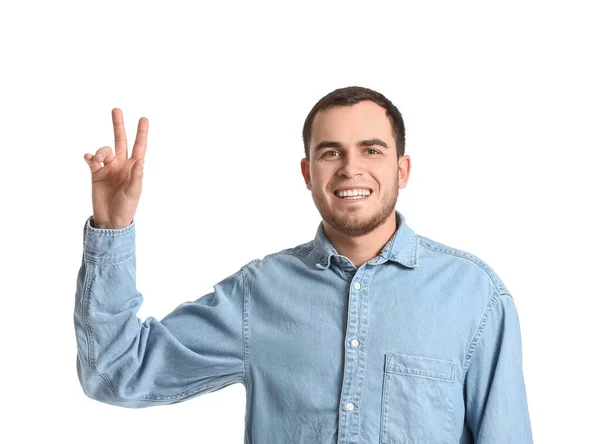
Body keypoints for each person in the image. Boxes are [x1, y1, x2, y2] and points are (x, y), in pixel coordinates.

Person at [75, 86, 533, 443]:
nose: (351, 168)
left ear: (403, 169)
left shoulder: (474, 296)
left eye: (372, 150)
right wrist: (113, 228)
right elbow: (115, 372)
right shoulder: (260, 293)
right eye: (331, 152)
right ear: (307, 172)